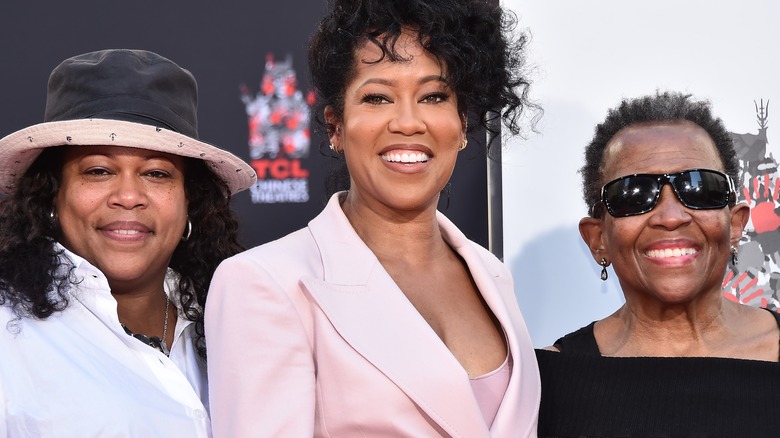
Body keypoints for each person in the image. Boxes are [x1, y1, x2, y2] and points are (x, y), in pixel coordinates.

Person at [205, 0, 541, 436]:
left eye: (433, 96)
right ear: (336, 127)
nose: (407, 122)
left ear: (461, 125)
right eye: (378, 97)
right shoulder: (266, 284)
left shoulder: (493, 275)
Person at [0, 49, 256, 437]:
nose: (128, 195)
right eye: (99, 171)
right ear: (52, 195)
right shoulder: (8, 336)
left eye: (156, 173)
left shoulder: (236, 323)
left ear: (191, 200)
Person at [535, 91, 780, 437]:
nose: (670, 217)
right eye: (634, 194)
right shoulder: (545, 384)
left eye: (700, 188)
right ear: (598, 239)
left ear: (736, 225)